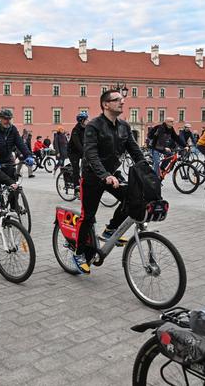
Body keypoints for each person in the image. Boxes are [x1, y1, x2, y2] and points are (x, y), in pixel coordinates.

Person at [74, 89, 145, 274]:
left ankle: (110, 229)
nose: (122, 102)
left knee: (133, 198)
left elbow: (134, 150)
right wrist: (104, 175)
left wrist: (148, 170)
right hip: (92, 177)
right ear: (106, 104)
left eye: (123, 99)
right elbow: (90, 153)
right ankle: (79, 252)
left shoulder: (124, 126)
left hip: (112, 174)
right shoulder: (94, 126)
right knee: (88, 216)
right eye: (117, 100)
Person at [0, 109, 34, 180]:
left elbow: (20, 143)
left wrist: (28, 155)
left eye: (9, 119)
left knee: (13, 183)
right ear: (0, 118)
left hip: (8, 160)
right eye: (5, 119)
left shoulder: (13, 129)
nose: (7, 121)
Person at [68, 111, 88, 187]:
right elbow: (78, 144)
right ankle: (76, 188)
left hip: (80, 151)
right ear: (82, 121)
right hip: (73, 152)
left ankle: (84, 182)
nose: (87, 121)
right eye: (86, 119)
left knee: (87, 167)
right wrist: (85, 152)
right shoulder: (75, 130)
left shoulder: (85, 129)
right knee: (76, 169)